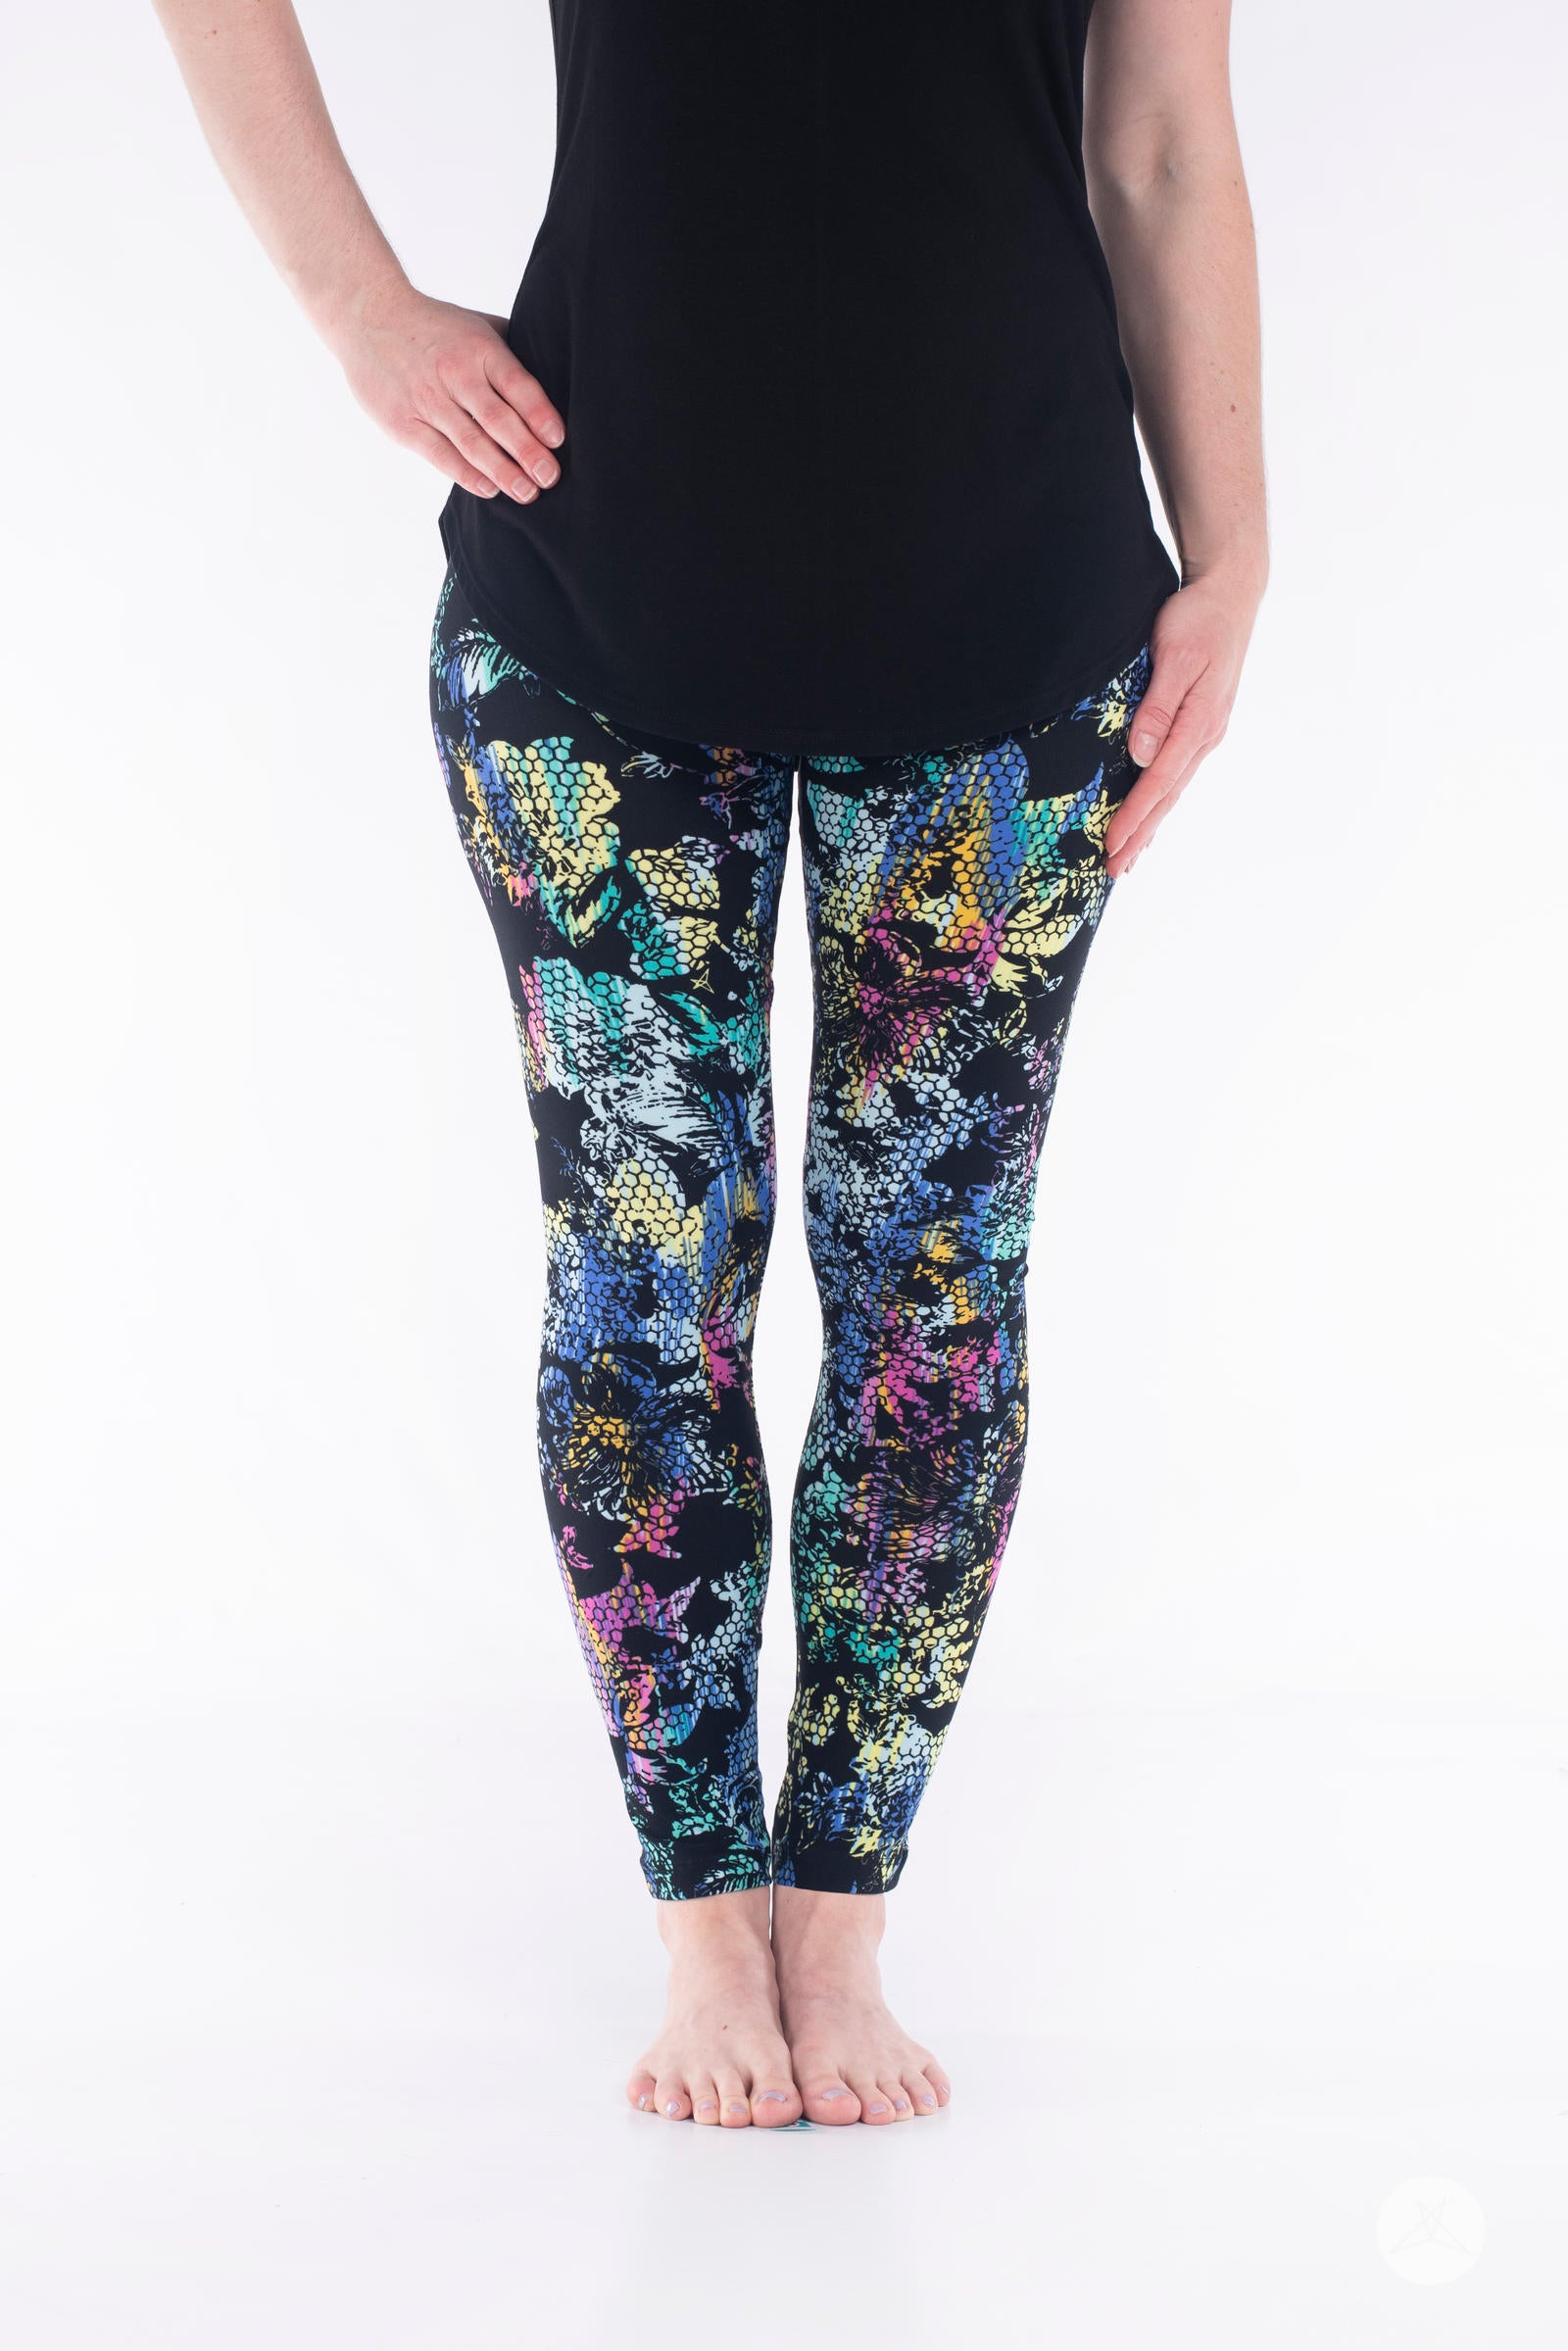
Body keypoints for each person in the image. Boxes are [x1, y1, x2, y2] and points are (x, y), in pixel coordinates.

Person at [153, 0, 1266, 2129]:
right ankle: (696, 1920)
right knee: (642, 1291)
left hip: (1017, 637)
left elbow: (1159, 139)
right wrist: (358, 307)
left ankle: (835, 1918)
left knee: (929, 1306)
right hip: (596, 625)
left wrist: (1236, 549)